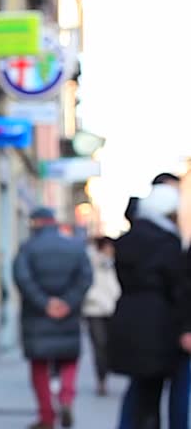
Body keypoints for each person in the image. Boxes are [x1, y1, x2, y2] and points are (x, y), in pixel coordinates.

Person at [110, 184, 191, 429]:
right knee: (175, 388)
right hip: (163, 323)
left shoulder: (127, 241)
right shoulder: (167, 243)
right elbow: (178, 288)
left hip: (130, 320)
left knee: (140, 388)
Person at [14, 207, 92, 429]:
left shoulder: (27, 248)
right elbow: (85, 277)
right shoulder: (75, 247)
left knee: (39, 365)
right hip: (67, 315)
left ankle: (47, 416)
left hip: (37, 315)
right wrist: (68, 302)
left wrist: (45, 303)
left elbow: (22, 278)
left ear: (36, 223)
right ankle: (66, 399)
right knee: (68, 359)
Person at [83, 236, 120, 396]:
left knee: (110, 345)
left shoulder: (116, 264)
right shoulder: (89, 262)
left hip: (113, 309)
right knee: (99, 345)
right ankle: (101, 379)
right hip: (94, 310)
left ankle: (106, 373)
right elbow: (87, 286)